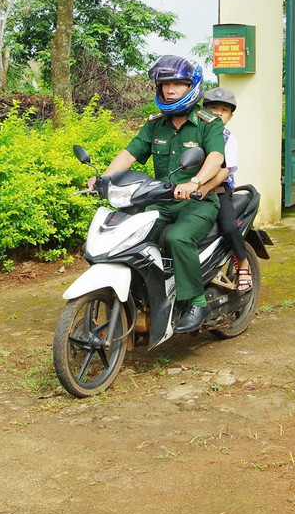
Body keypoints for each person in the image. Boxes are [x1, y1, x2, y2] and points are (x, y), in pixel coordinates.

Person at [89, 55, 225, 332]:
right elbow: (129, 154)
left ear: (192, 87)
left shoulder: (208, 122)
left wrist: (196, 182)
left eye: (178, 84)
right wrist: (103, 179)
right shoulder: (155, 124)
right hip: (161, 202)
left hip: (197, 202)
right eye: (165, 84)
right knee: (128, 238)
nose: (170, 89)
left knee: (178, 237)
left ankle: (196, 302)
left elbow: (215, 157)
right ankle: (144, 298)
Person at [199, 87, 252, 291]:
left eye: (224, 110)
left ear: (230, 116)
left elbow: (225, 169)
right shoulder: (195, 134)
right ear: (203, 111)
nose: (218, 113)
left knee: (229, 227)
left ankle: (243, 263)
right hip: (190, 190)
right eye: (213, 108)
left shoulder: (229, 139)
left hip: (219, 190)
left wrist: (204, 187)